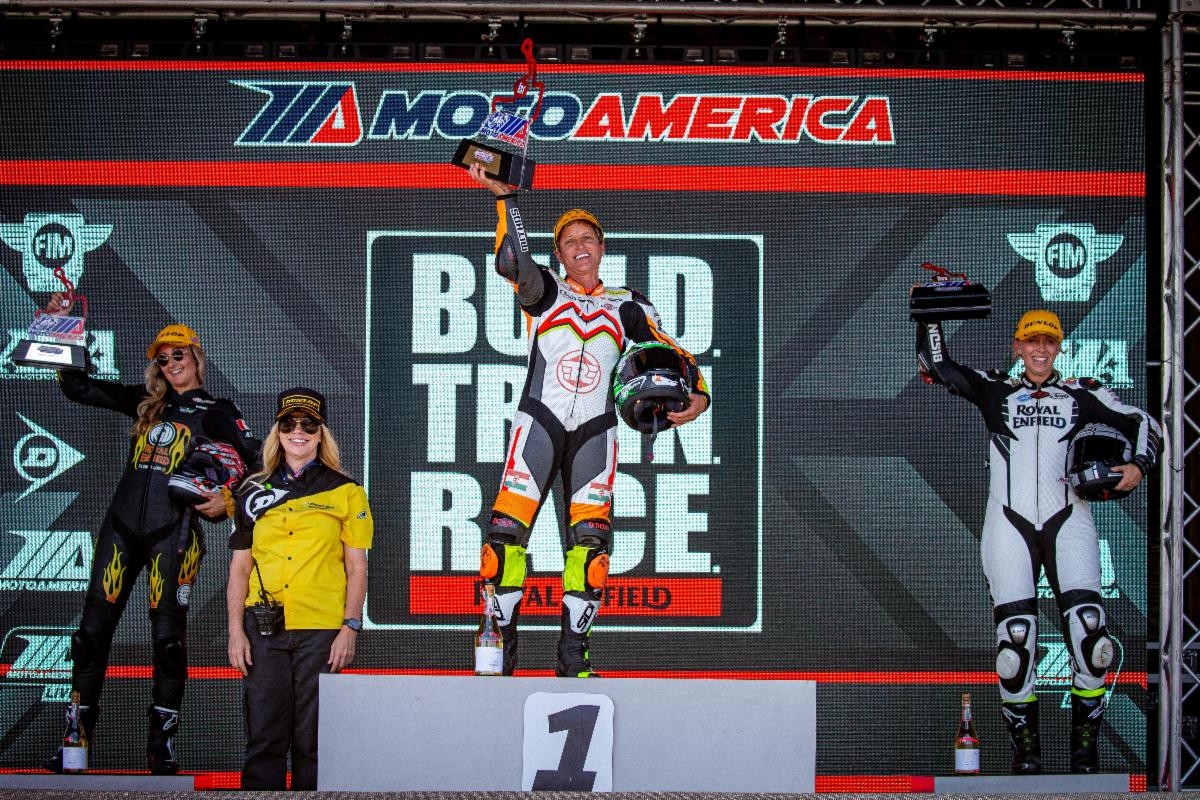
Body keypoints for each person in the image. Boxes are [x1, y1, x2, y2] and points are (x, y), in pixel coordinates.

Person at [468, 162, 710, 677]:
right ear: (559, 253)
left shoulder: (627, 304)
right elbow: (512, 260)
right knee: (504, 539)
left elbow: (673, 352)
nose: (580, 246)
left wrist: (701, 397)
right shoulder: (548, 291)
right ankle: (499, 658)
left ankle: (572, 661)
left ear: (602, 247)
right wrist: (506, 199)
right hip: (540, 423)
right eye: (569, 241)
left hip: (596, 433)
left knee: (592, 549)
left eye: (588, 238)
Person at [916, 309, 1161, 774]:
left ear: (1059, 347)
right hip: (1008, 523)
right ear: (1017, 347)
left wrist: (1137, 467)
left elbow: (1147, 425)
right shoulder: (996, 389)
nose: (1041, 349)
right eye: (1032, 342)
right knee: (1014, 648)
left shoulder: (1084, 394)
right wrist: (930, 313)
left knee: (1092, 638)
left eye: (1049, 341)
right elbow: (936, 364)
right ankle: (1025, 751)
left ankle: (1084, 748)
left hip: (1069, 518)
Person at [40, 302, 260, 774]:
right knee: (89, 635)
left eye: (179, 353)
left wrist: (227, 497)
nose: (171, 363)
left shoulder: (218, 410)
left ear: (197, 356)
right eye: (162, 357)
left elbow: (259, 462)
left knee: (168, 640)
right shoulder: (146, 400)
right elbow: (78, 386)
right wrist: (59, 325)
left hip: (173, 532)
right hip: (121, 526)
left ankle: (162, 746)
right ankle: (75, 738)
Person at [226, 388, 372, 790]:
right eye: (289, 423)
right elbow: (240, 568)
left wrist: (350, 626)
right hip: (263, 628)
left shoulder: (347, 491)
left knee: (314, 741)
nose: (299, 431)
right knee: (265, 736)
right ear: (277, 430)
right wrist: (236, 631)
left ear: (321, 433)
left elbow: (357, 567)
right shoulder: (252, 490)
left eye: (309, 424)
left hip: (322, 630)